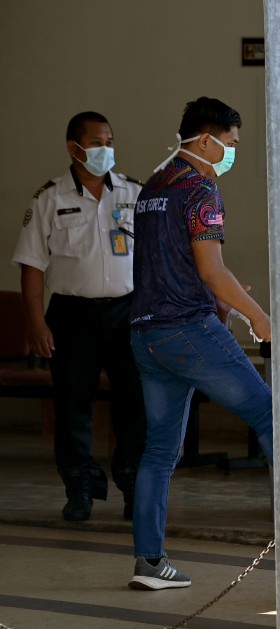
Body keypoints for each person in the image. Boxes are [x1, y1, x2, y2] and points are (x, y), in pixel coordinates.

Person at [127, 97, 274, 591]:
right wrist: (259, 317)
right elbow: (211, 269)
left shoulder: (153, 185)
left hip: (146, 334)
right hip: (187, 329)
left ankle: (150, 563)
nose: (231, 153)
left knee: (160, 451)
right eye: (230, 144)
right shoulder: (200, 189)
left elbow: (170, 265)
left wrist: (223, 300)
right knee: (270, 414)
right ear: (207, 140)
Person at [12, 111, 146, 522]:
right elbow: (32, 266)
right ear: (73, 148)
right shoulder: (50, 199)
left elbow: (157, 257)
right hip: (72, 315)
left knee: (134, 403)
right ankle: (80, 489)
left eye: (109, 140)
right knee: (73, 405)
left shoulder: (133, 193)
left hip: (128, 314)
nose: (104, 149)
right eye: (95, 141)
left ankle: (132, 485)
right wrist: (37, 323)